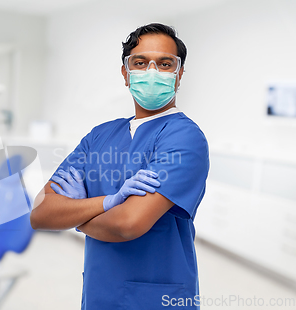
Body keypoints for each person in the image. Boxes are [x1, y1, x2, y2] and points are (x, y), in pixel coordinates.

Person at [30, 23, 209, 309]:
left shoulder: (184, 137)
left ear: (179, 74)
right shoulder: (99, 136)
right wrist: (108, 202)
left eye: (165, 64)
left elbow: (128, 224)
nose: (152, 72)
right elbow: (40, 213)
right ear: (126, 73)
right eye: (140, 63)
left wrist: (73, 213)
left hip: (157, 299)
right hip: (100, 292)